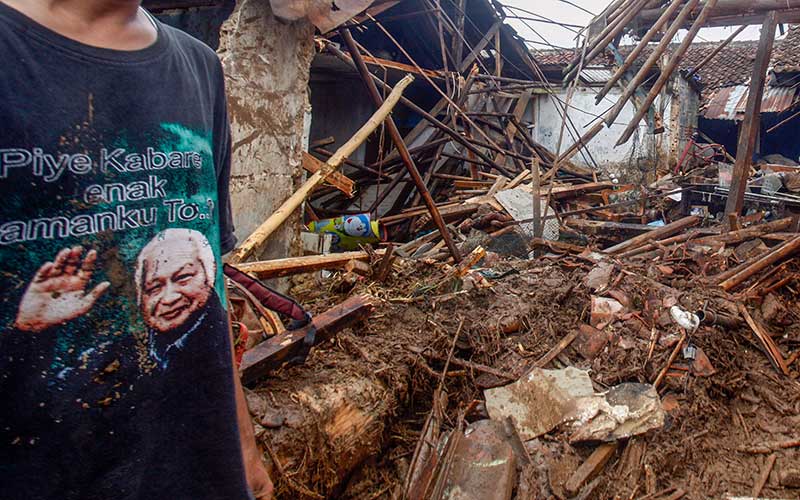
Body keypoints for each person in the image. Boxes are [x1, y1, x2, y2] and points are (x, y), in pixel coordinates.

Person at [0, 1, 273, 499]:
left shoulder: (199, 68)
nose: (169, 295)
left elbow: (215, 300)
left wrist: (242, 447)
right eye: (156, 284)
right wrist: (31, 326)